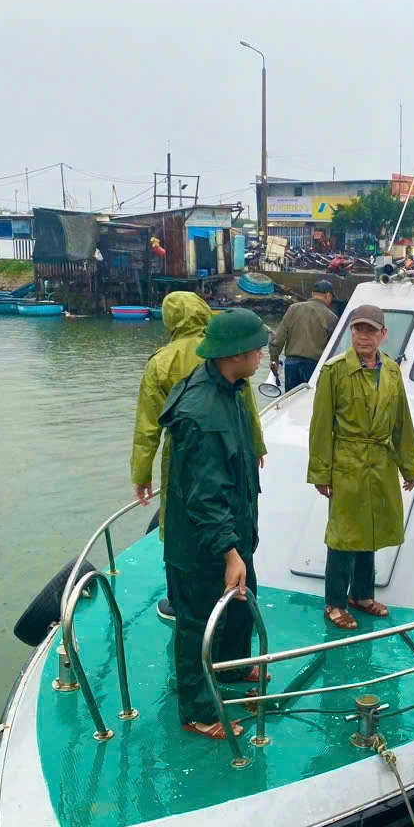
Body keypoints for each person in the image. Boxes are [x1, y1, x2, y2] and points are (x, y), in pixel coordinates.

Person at [159, 309, 271, 741]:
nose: (262, 353)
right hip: (203, 546)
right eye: (257, 347)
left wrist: (238, 545)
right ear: (236, 353)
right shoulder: (202, 412)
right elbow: (203, 497)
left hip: (232, 534)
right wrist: (228, 552)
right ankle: (198, 709)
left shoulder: (229, 389)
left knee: (242, 602)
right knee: (198, 623)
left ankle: (236, 666)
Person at [131, 291, 267, 622]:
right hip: (234, 449)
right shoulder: (227, 349)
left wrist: (141, 474)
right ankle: (232, 602)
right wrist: (257, 446)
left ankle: (180, 600)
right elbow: (245, 402)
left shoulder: (161, 361)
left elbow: (148, 425)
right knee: (231, 516)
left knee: (179, 527)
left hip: (183, 454)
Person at [307, 303, 414, 630]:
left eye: (370, 330)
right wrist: (320, 472)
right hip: (347, 462)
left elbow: (401, 422)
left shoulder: (392, 371)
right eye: (358, 329)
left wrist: (408, 466)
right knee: (343, 536)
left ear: (383, 334)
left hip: (380, 463)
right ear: (350, 333)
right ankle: (334, 602)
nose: (363, 336)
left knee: (370, 532)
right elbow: (320, 426)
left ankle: (361, 594)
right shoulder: (333, 371)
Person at [269, 279, 338, 391]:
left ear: (312, 294)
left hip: (291, 364)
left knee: (291, 401)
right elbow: (333, 349)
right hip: (313, 366)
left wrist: (274, 359)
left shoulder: (294, 308)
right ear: (328, 295)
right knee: (309, 403)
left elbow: (279, 337)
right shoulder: (332, 318)